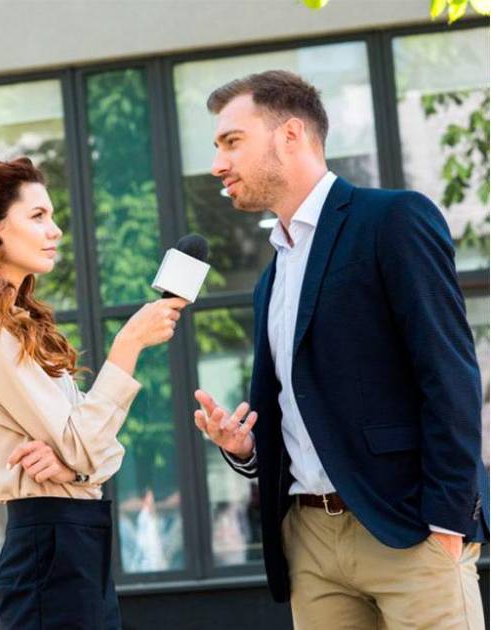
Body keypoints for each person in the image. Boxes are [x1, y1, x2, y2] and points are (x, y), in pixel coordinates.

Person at [191, 70, 488, 629]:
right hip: (310, 544)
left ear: (290, 135)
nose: (217, 165)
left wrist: (449, 521)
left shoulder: (392, 219)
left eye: (232, 142)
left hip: (408, 531)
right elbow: (297, 407)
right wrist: (246, 448)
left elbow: (449, 373)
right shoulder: (271, 275)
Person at [0, 157, 187, 629]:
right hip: (49, 547)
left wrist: (73, 469)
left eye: (53, 216)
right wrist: (128, 343)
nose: (55, 230)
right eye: (38, 216)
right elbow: (87, 444)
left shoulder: (10, 328)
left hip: (70, 544)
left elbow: (94, 451)